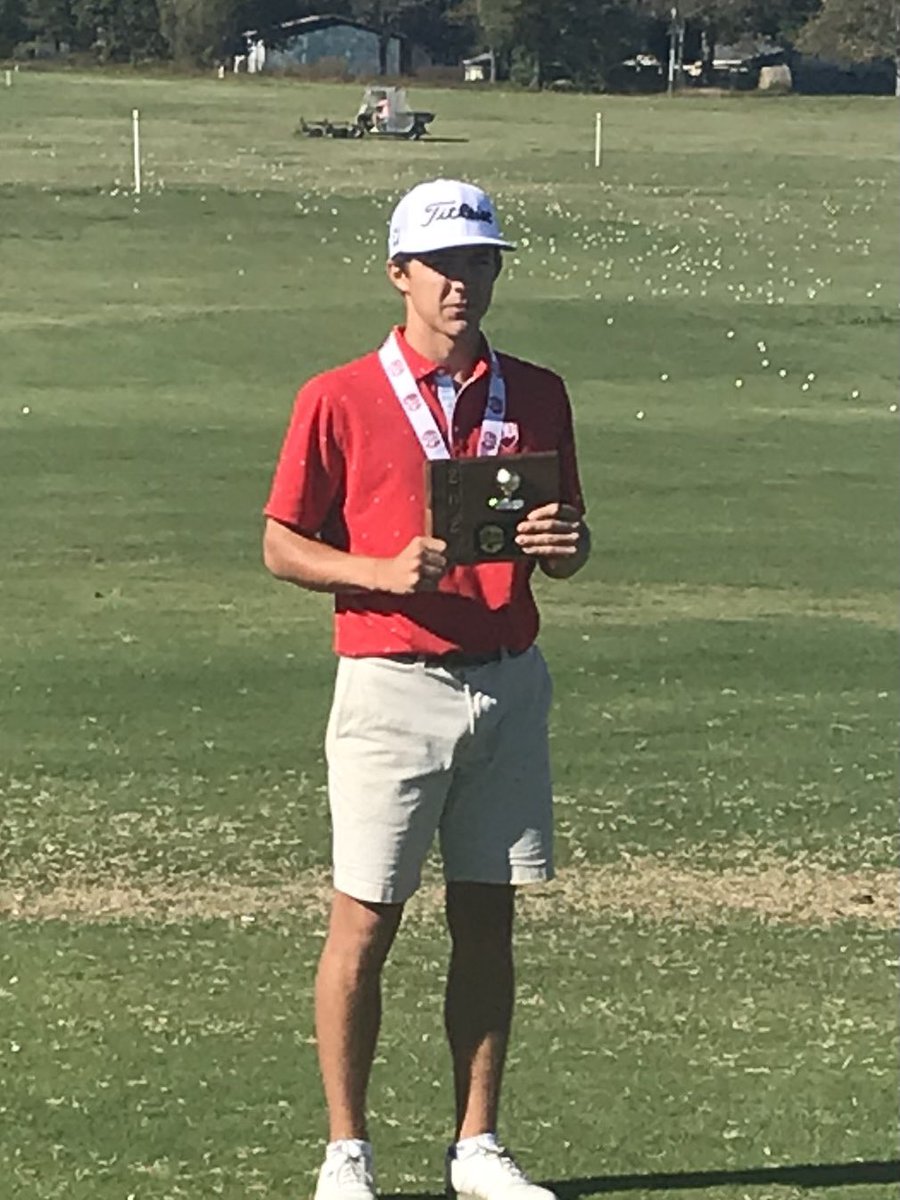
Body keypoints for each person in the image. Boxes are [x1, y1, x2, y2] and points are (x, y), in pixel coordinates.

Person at [262, 178, 590, 1200]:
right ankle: (346, 1153)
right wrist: (373, 572)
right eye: (445, 264)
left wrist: (569, 546)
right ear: (399, 272)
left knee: (488, 918)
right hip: (389, 684)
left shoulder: (535, 391)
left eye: (481, 261)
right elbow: (279, 543)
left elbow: (564, 545)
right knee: (365, 919)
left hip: (507, 681)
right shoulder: (338, 396)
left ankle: (477, 1146)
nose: (464, 282)